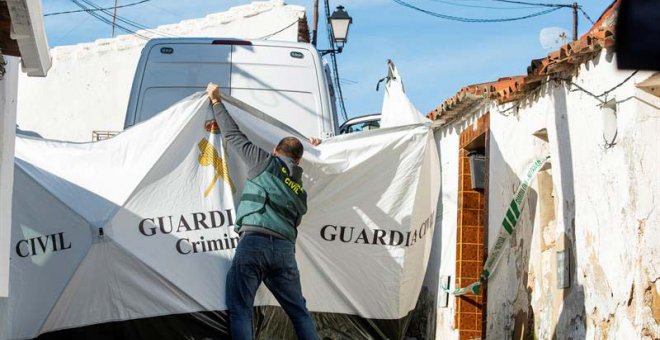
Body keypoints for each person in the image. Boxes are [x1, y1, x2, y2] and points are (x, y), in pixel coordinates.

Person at [206, 83, 320, 340]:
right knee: (299, 312)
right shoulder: (299, 189)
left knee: (241, 310)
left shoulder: (263, 162)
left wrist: (216, 102)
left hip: (254, 243)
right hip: (284, 252)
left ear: (275, 151)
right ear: (298, 161)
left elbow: (233, 136)